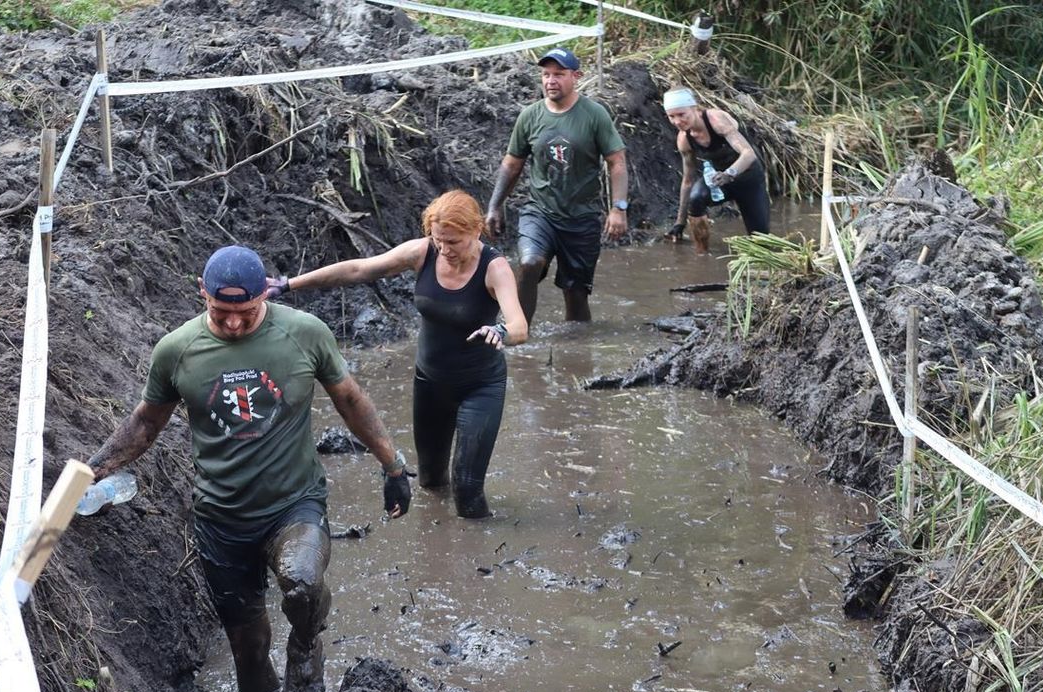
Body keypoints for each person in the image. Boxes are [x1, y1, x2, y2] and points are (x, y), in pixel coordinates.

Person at [85, 245, 412, 692]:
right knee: (250, 656)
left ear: (265, 295)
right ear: (202, 294)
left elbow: (352, 401)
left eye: (246, 311)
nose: (234, 324)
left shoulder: (304, 333)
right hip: (222, 519)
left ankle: (305, 657)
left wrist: (393, 465)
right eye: (221, 312)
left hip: (294, 504)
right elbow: (145, 423)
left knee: (301, 582)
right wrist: (91, 471)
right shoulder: (176, 350)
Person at [268, 190, 527, 519]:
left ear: (476, 230)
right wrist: (289, 284)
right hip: (430, 384)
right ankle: (439, 550)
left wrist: (501, 330)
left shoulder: (495, 268)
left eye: (454, 242)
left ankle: (477, 560)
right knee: (431, 484)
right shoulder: (422, 253)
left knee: (467, 491)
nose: (445, 250)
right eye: (439, 240)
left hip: (481, 387)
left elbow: (520, 325)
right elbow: (359, 269)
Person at [485, 47, 628, 324]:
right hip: (540, 211)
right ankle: (518, 331)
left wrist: (618, 208)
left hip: (581, 218)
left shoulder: (594, 115)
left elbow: (617, 162)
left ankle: (577, 350)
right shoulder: (530, 116)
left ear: (576, 76)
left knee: (575, 295)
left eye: (559, 74)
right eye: (546, 74)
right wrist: (494, 205)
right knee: (528, 263)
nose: (551, 80)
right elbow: (512, 163)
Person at [663, 87, 770, 253]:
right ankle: (702, 255)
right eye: (671, 116)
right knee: (696, 198)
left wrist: (730, 173)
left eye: (682, 114)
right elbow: (688, 180)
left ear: (695, 108)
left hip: (748, 179)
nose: (677, 122)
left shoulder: (715, 120)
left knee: (761, 244)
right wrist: (680, 222)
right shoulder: (684, 139)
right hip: (721, 181)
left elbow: (749, 154)